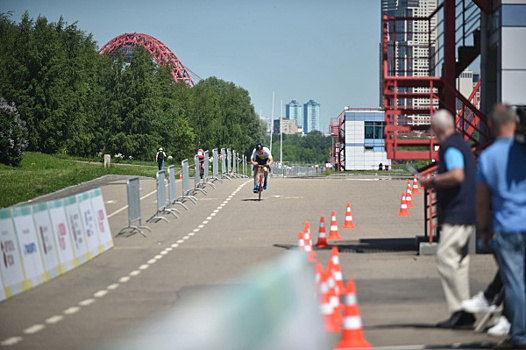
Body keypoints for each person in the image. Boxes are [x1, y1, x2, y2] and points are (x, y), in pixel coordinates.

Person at [420, 109, 477, 329]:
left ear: (438, 129)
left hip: (458, 213)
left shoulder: (451, 146)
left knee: (445, 257)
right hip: (468, 211)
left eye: (433, 131)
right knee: (460, 263)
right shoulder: (461, 144)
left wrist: (432, 181)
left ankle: (461, 310)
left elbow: (457, 174)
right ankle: (464, 312)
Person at [476, 103, 526, 349]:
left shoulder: (488, 157)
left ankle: (520, 334)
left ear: (490, 125)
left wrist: (484, 231)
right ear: (516, 121)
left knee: (515, 283)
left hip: (508, 227)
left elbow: (482, 199)